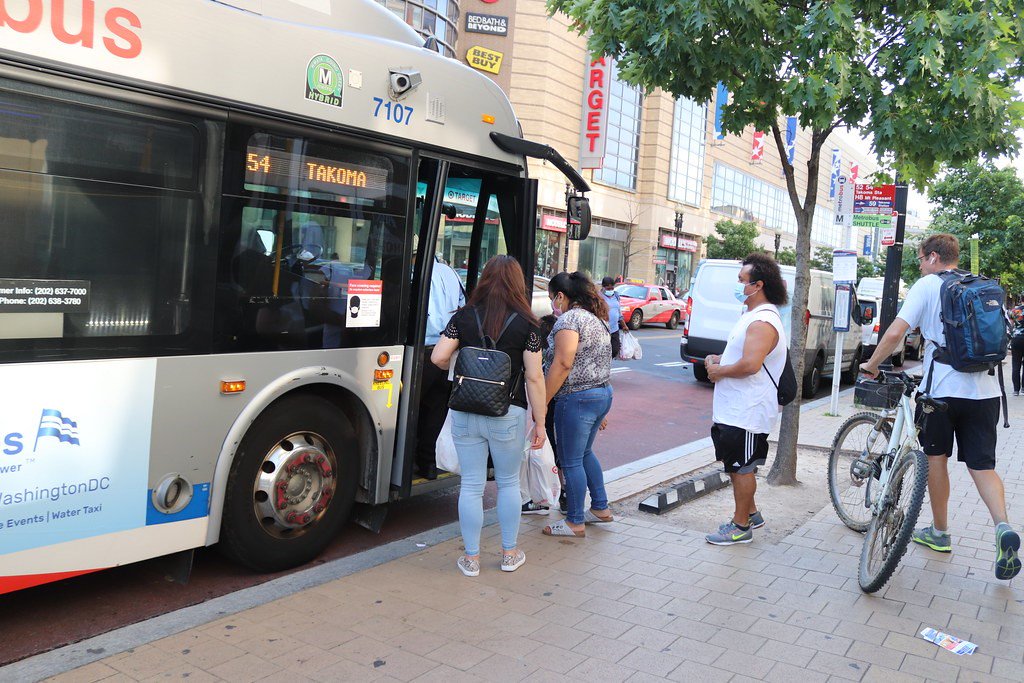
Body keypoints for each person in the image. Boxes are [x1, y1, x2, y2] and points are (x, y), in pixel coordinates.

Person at [860, 233, 1020, 581]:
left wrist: (872, 364)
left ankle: (940, 531)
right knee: (982, 466)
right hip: (987, 391)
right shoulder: (979, 285)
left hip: (942, 394)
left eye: (920, 258)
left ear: (933, 257)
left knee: (936, 459)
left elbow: (894, 335)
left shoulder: (928, 285)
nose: (919, 264)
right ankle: (1003, 526)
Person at [431, 255, 546, 576]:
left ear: (484, 280)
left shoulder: (464, 317)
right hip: (508, 412)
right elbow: (535, 377)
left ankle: (471, 559)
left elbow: (439, 356)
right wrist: (541, 420)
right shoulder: (528, 324)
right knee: (508, 484)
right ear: (517, 283)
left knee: (471, 485)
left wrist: (459, 366)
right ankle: (509, 554)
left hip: (466, 409)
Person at [703, 253, 788, 545]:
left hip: (748, 411)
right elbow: (745, 356)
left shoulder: (763, 321)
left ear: (758, 284)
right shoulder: (751, 317)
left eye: (742, 280)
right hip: (735, 410)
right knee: (735, 464)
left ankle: (740, 527)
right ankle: (751, 513)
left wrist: (718, 372)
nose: (738, 285)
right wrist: (720, 359)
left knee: (743, 467)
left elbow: (751, 365)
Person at [542, 272, 614, 537]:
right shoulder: (597, 319)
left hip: (576, 397)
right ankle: (600, 507)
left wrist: (544, 401)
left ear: (561, 296)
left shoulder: (570, 319)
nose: (553, 305)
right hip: (601, 393)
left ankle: (574, 520)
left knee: (570, 461)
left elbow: (563, 363)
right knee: (584, 453)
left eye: (553, 298)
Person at [415, 254, 465, 480]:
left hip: (420, 349)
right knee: (436, 409)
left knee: (411, 409)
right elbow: (462, 306)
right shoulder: (451, 273)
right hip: (446, 348)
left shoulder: (414, 271)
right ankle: (428, 464)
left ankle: (405, 462)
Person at [600, 276, 628, 359]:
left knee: (615, 349)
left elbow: (618, 311)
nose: (610, 290)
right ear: (603, 287)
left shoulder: (616, 295)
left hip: (614, 328)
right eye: (608, 289)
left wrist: (624, 325)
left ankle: (607, 362)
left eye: (612, 288)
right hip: (603, 328)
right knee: (603, 350)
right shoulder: (599, 297)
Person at [1010, 300, 1024, 397]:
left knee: (1016, 365)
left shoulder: (1014, 311)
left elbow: (1011, 324)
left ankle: (1016, 390)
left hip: (1016, 339)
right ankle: (1023, 388)